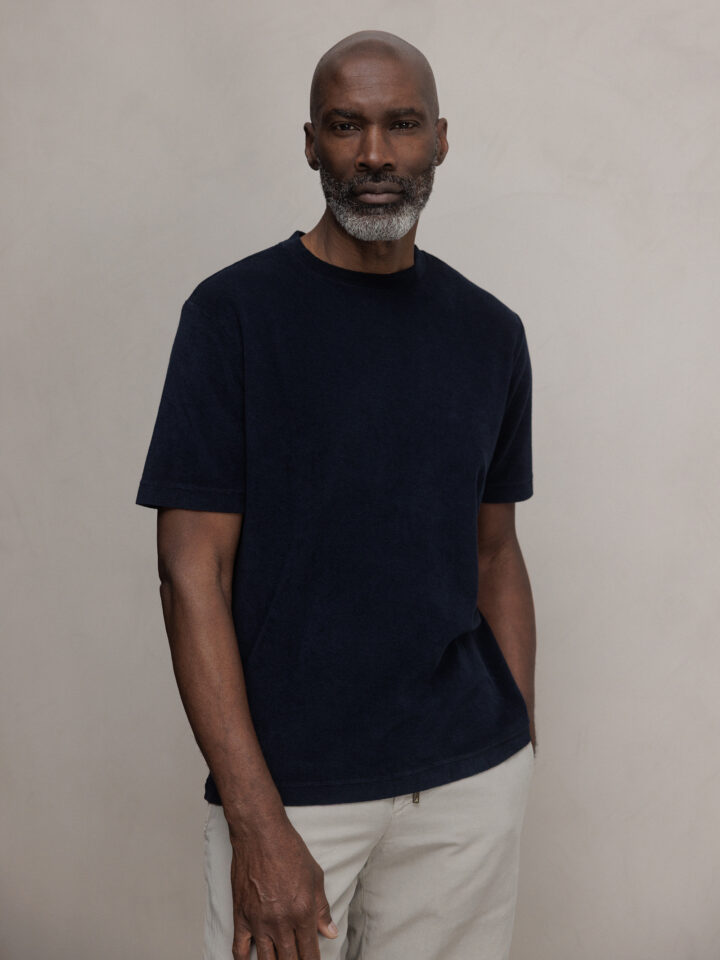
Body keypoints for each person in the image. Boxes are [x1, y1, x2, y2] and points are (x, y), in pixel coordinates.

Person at [135, 28, 538, 960]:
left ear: (441, 140)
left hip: (466, 783)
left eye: (403, 124)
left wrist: (518, 739)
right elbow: (191, 575)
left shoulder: (490, 332)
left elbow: (494, 551)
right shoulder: (232, 317)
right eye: (347, 125)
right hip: (293, 791)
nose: (375, 154)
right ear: (311, 142)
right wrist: (254, 818)